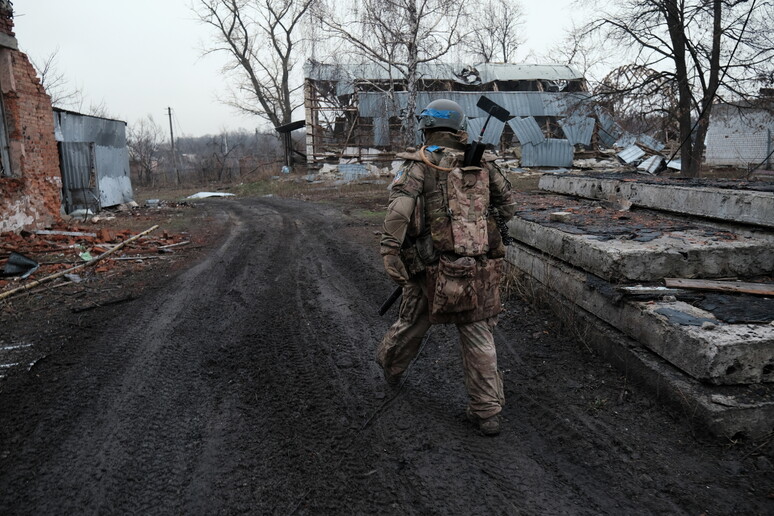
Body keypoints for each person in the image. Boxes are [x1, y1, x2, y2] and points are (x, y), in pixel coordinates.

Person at [377, 98, 517, 436]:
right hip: (478, 269)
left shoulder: (420, 162)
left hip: (430, 268)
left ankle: (391, 369)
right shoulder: (484, 162)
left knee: (411, 323)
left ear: (428, 126)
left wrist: (390, 251)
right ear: (458, 126)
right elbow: (508, 207)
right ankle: (487, 413)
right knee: (478, 335)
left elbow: (399, 212)